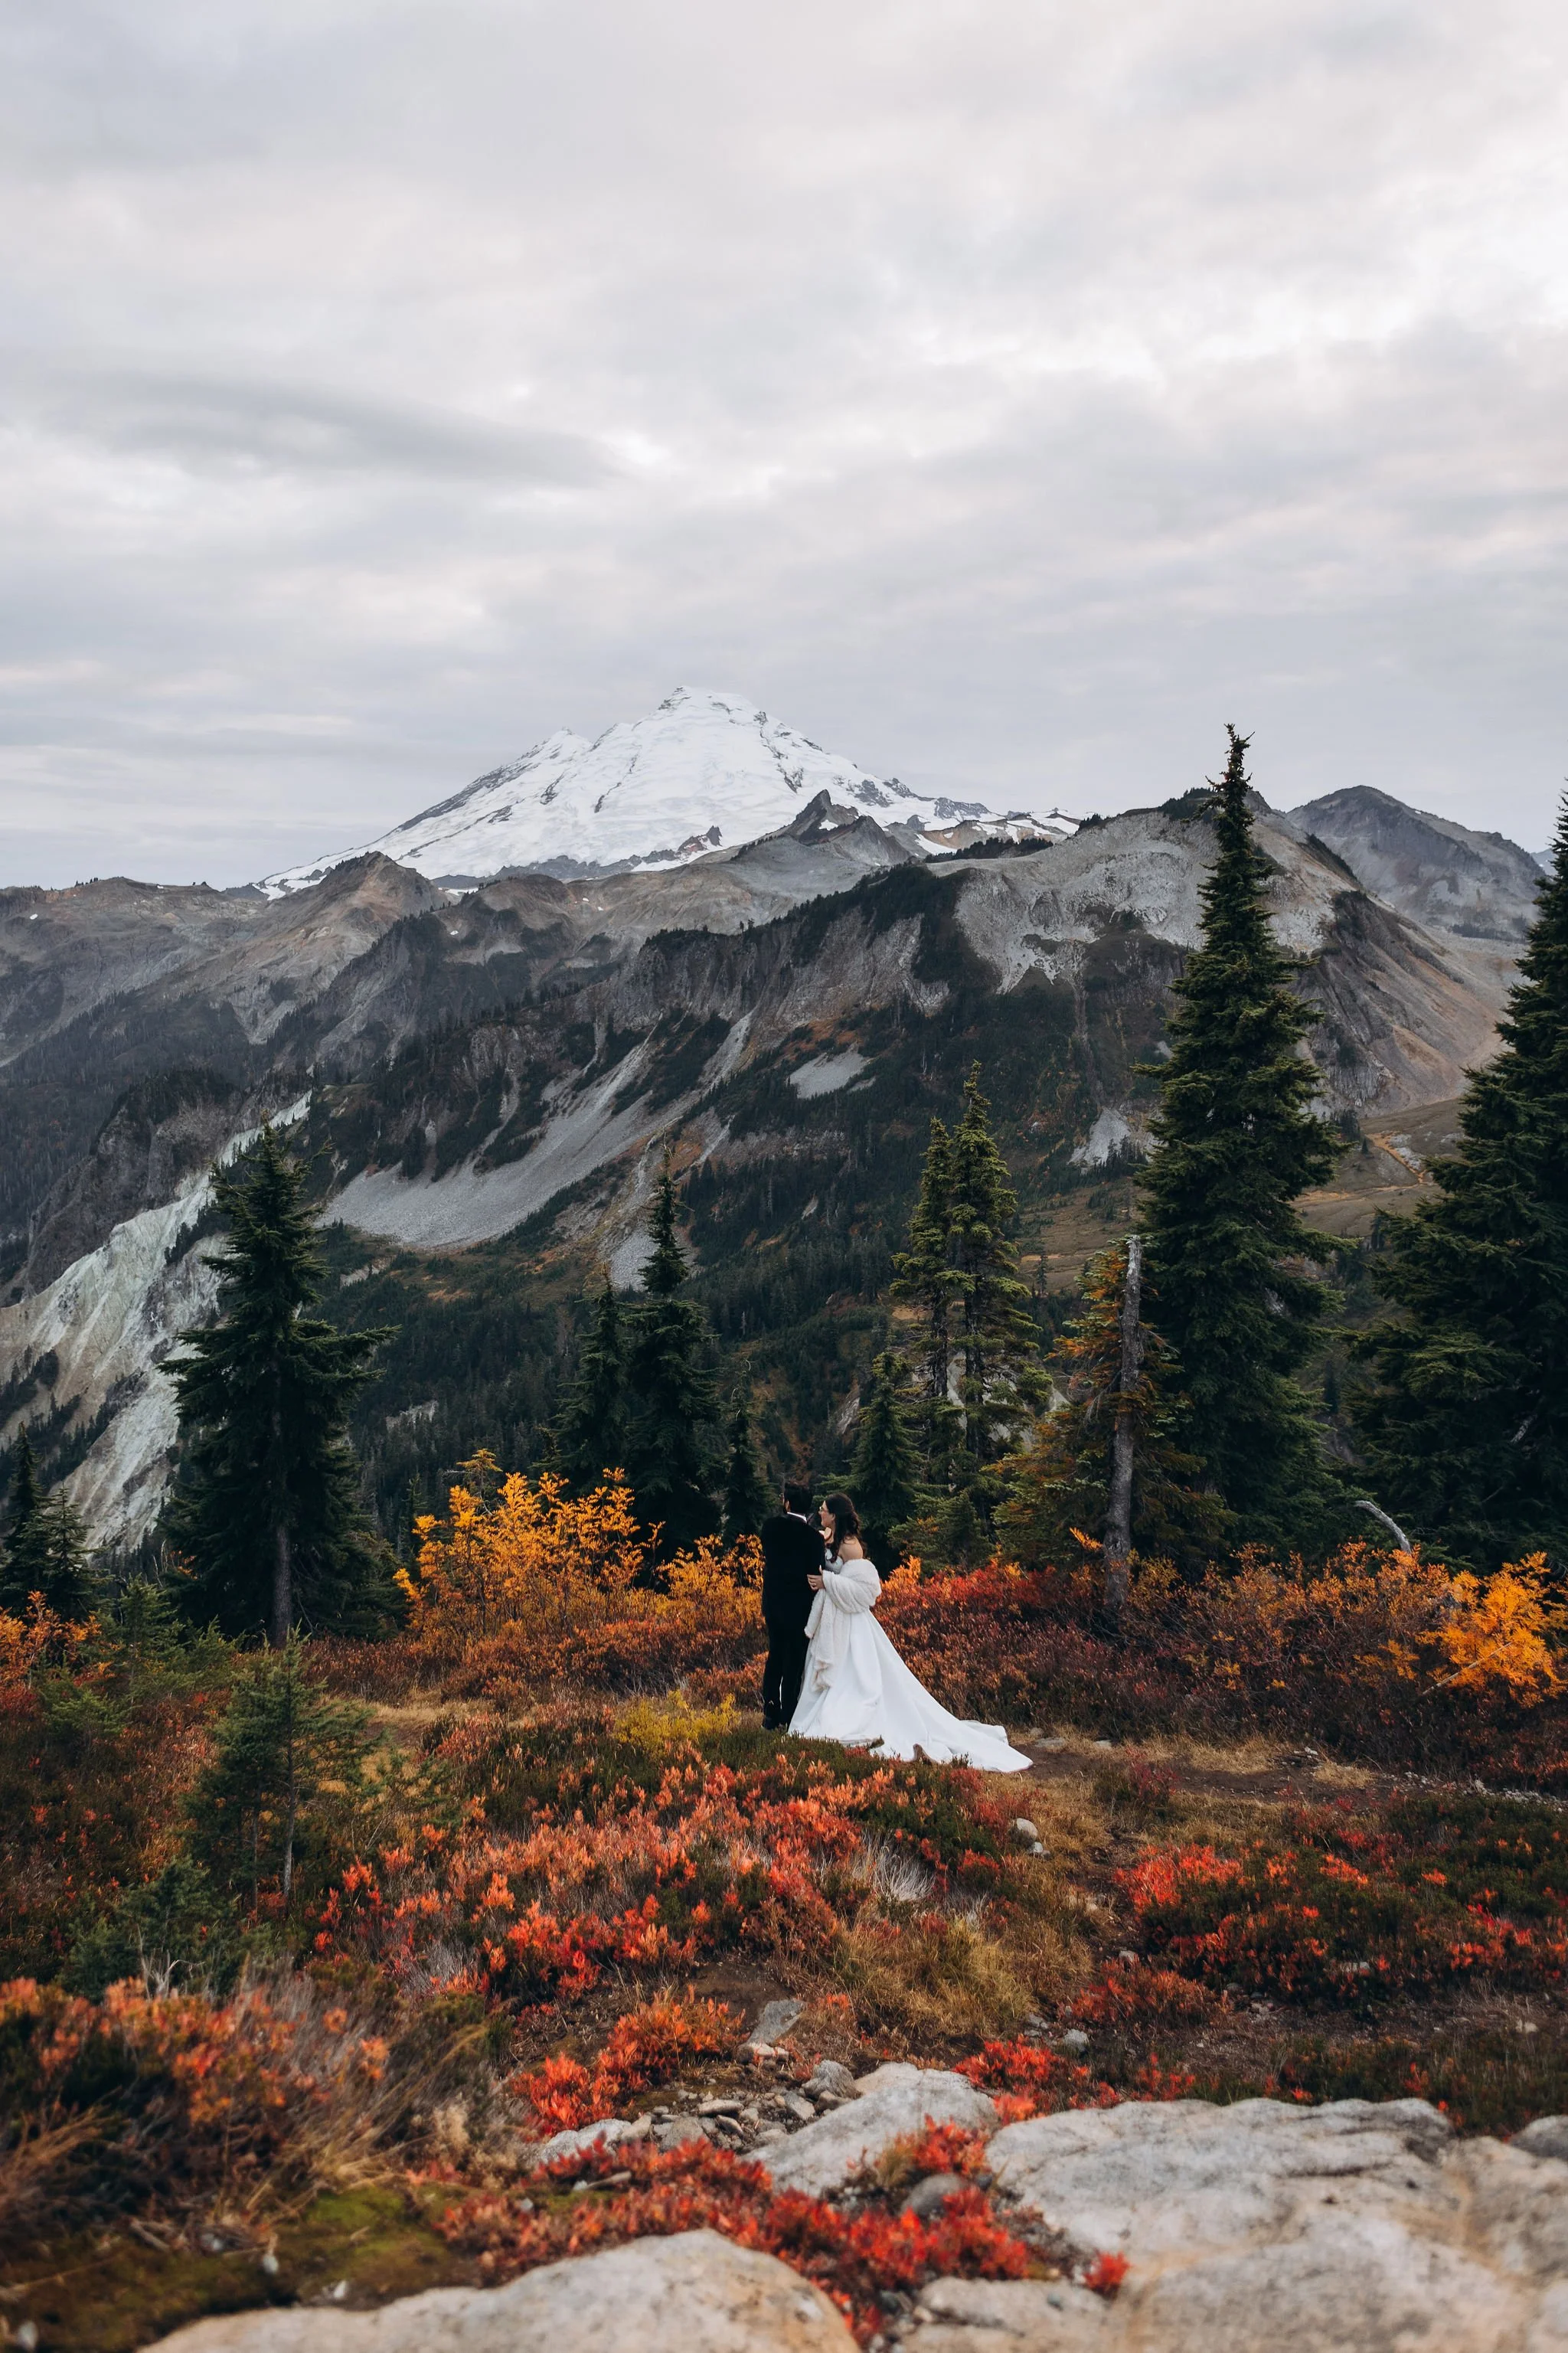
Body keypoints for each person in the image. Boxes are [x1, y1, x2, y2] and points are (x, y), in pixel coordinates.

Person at [789, 1492, 1031, 1771]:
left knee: (857, 1679)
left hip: (850, 1623)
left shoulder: (851, 1547)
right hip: (834, 1619)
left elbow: (865, 1592)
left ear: (834, 1514)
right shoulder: (829, 1536)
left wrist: (827, 1582)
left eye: (823, 1509)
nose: (820, 1512)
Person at [759, 1479, 828, 1730]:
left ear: (787, 1503)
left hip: (775, 1604)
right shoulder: (814, 1539)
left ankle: (770, 1709)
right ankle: (789, 1714)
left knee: (775, 1655)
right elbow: (817, 1572)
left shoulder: (771, 1527)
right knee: (794, 1662)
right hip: (800, 1608)